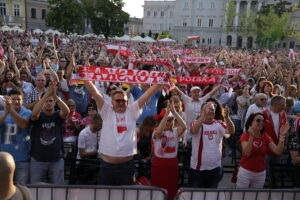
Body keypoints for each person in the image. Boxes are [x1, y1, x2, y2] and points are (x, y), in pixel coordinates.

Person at [84, 80, 164, 185]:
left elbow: (147, 94)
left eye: (124, 101)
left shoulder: (132, 110)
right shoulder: (106, 110)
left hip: (127, 166)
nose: (121, 103)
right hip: (107, 167)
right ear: (112, 102)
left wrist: (160, 82)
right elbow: (95, 92)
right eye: (118, 101)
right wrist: (85, 78)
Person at [30, 82, 70, 184]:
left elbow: (66, 112)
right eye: (46, 101)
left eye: (50, 101)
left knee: (58, 191)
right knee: (35, 190)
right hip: (38, 160)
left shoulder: (57, 115)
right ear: (43, 103)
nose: (48, 103)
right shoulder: (39, 116)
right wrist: (46, 95)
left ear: (54, 103)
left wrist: (55, 96)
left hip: (56, 160)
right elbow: (34, 114)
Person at [236, 112, 290, 188]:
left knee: (256, 196)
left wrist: (282, 136)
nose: (261, 123)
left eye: (263, 121)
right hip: (246, 172)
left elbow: (278, 151)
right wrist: (251, 136)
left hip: (260, 173)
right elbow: (246, 153)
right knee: (241, 196)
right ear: (251, 122)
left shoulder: (265, 136)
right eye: (258, 120)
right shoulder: (245, 135)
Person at [189, 101, 235, 188]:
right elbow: (193, 130)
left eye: (213, 109)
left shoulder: (219, 124)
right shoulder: (195, 123)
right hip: (197, 170)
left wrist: (227, 118)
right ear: (202, 111)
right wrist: (203, 116)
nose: (211, 111)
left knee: (211, 195)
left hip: (215, 170)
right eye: (209, 109)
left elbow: (231, 131)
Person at [151, 101, 186, 200]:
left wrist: (174, 113)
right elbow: (159, 133)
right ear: (161, 121)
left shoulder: (175, 131)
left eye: (170, 120)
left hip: (172, 164)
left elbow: (184, 127)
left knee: (171, 189)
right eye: (166, 120)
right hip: (159, 164)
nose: (168, 122)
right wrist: (166, 115)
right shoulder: (155, 131)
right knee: (158, 190)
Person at [0, 88, 32, 184]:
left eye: (18, 99)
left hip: (22, 159)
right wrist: (6, 112)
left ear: (23, 101)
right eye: (13, 99)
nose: (16, 101)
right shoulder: (1, 113)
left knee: (22, 189)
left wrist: (11, 110)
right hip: (3, 159)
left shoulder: (27, 112)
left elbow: (23, 124)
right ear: (9, 100)